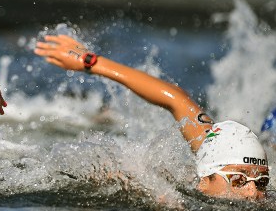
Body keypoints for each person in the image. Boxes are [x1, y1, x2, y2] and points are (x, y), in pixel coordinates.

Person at [34, 34, 270, 200]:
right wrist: (90, 61)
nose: (253, 193)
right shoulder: (212, 154)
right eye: (237, 180)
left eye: (261, 183)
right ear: (204, 180)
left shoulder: (230, 158)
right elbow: (175, 99)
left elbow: (176, 99)